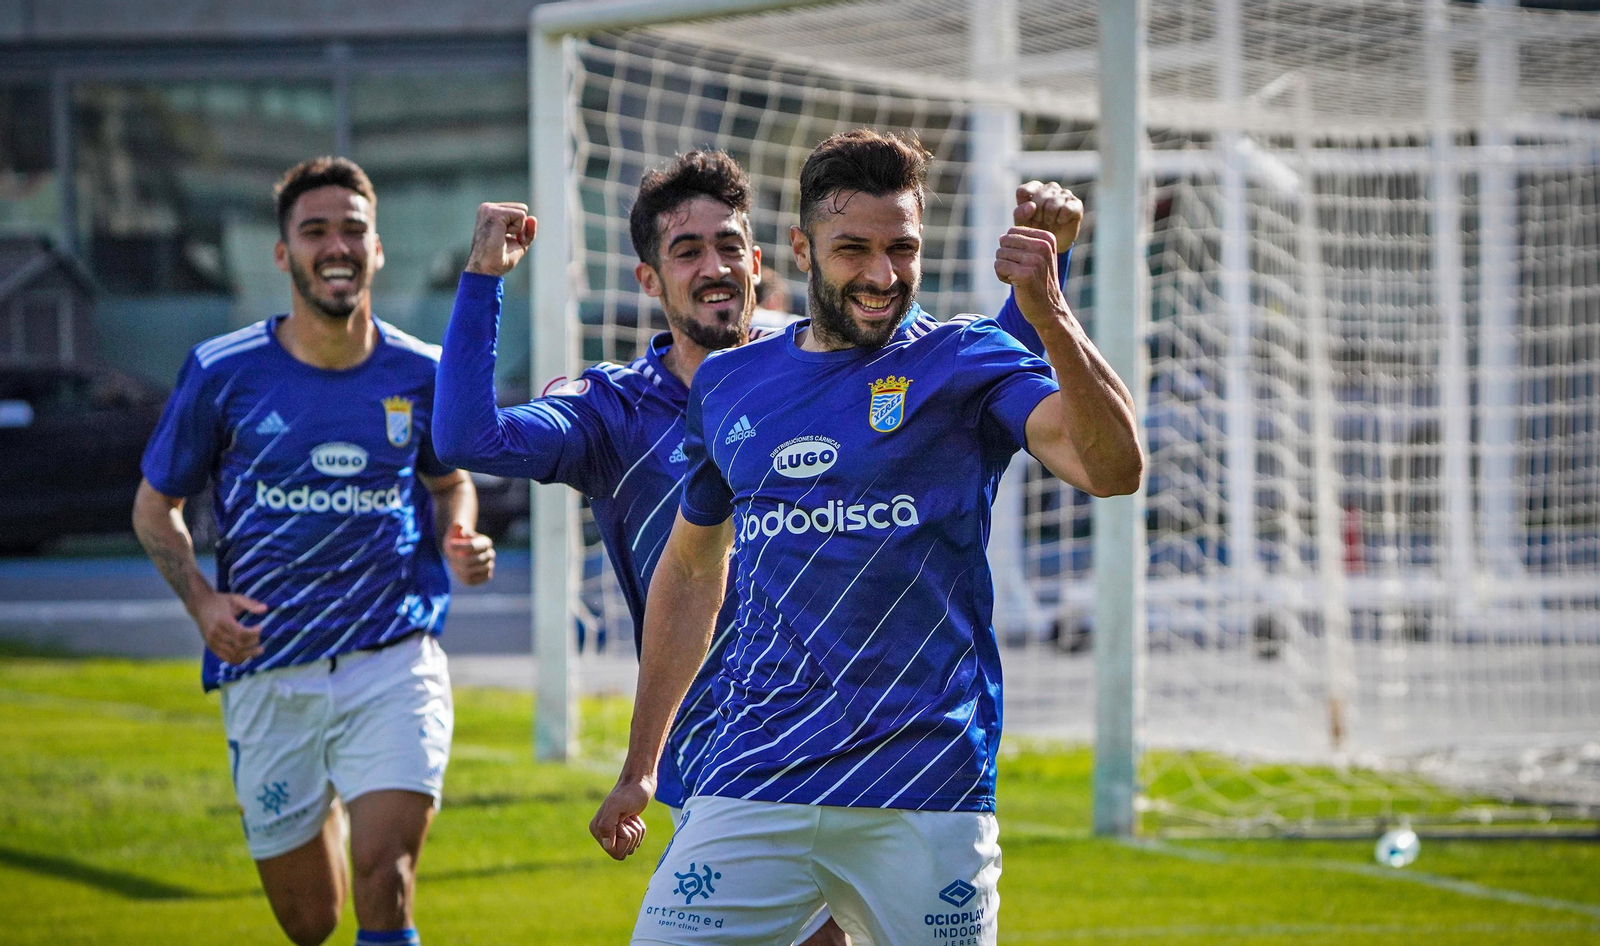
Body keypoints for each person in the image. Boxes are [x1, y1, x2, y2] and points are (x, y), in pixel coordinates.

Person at [433, 150, 1084, 946]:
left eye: (730, 246)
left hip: (883, 740)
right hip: (726, 744)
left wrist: (1044, 283)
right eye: (687, 251)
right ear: (648, 281)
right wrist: (484, 281)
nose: (715, 267)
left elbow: (964, 391)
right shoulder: (611, 412)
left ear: (768, 260)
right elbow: (470, 437)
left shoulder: (843, 356)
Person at [589, 129, 1141, 946]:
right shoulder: (733, 382)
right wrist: (642, 765)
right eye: (854, 249)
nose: (882, 276)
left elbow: (1113, 468)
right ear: (802, 249)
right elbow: (692, 569)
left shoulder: (966, 361)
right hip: (755, 775)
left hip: (924, 785)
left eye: (902, 248)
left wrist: (1049, 311)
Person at [132, 156, 495, 946]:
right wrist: (201, 601)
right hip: (268, 663)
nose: (337, 246)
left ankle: (360, 798)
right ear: (282, 253)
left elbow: (448, 484)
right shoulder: (222, 372)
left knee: (384, 879)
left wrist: (459, 533)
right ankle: (329, 797)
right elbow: (154, 509)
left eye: (353, 230)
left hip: (391, 659)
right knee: (309, 921)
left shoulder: (422, 372)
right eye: (315, 231)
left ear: (378, 249)